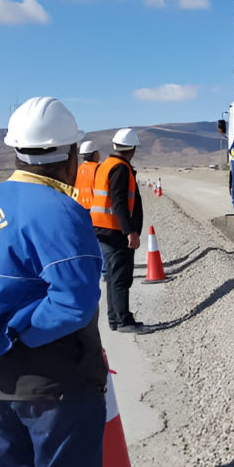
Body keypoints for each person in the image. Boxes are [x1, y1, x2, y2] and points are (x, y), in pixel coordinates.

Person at [0, 96, 108, 467]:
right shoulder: (61, 211)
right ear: (70, 155)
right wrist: (17, 332)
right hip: (52, 382)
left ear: (15, 149)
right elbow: (74, 302)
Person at [91, 128, 144, 333]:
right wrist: (130, 231)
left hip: (103, 227)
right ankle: (123, 321)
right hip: (115, 230)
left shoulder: (105, 165)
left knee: (113, 276)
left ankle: (116, 319)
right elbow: (119, 202)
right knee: (121, 277)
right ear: (131, 149)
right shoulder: (120, 168)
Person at [74, 140, 100, 210]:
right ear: (94, 154)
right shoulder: (98, 168)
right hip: (95, 208)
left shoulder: (77, 170)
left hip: (79, 208)